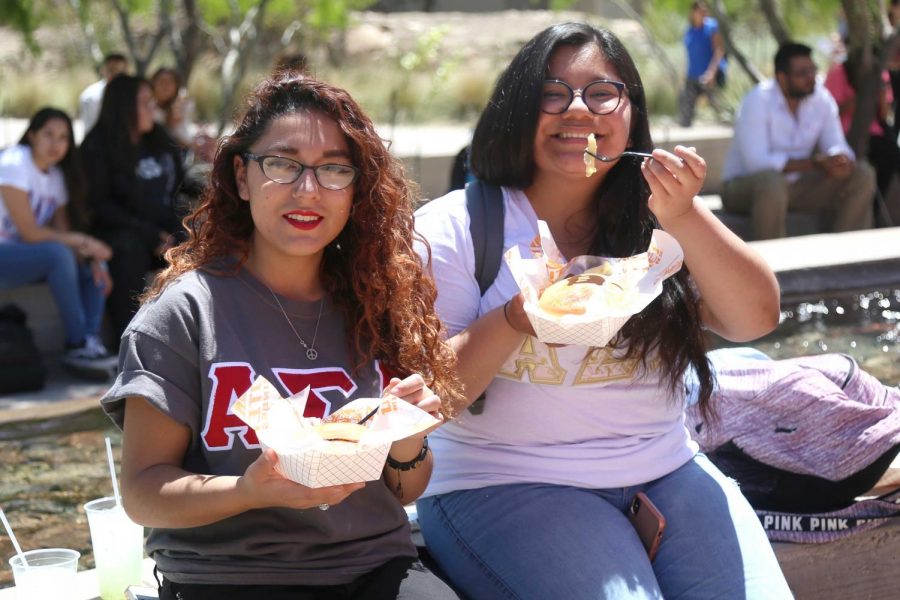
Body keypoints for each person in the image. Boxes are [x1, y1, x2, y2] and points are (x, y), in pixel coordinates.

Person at [413, 22, 792, 600]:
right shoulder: (457, 228)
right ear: (517, 109)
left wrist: (685, 216)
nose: (578, 113)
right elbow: (425, 400)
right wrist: (517, 319)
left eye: (601, 94)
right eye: (552, 94)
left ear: (631, 112)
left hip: (667, 470)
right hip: (506, 481)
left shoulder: (660, 218)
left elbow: (756, 318)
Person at [99, 72, 464, 599]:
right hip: (228, 574)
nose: (308, 189)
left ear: (356, 188)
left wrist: (408, 444)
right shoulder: (183, 316)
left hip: (372, 566)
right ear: (243, 178)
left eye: (334, 169)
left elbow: (404, 486)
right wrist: (248, 491)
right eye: (283, 164)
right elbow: (141, 492)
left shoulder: (378, 302)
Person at [0, 108, 116, 376]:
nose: (56, 144)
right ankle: (77, 342)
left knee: (92, 265)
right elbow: (30, 232)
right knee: (58, 253)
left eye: (63, 137)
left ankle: (88, 342)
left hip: (27, 258)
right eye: (48, 135)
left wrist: (90, 257)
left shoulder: (55, 177)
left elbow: (62, 233)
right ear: (32, 135)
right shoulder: (14, 163)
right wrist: (82, 240)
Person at [721, 42, 876, 240]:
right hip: (744, 187)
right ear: (782, 78)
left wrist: (840, 159)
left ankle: (846, 256)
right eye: (803, 73)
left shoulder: (821, 98)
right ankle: (772, 264)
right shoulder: (757, 101)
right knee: (772, 183)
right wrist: (815, 163)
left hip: (798, 186)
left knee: (862, 174)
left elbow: (836, 143)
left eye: (813, 70)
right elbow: (757, 163)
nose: (811, 78)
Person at [81, 74, 186, 344]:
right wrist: (150, 235)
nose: (153, 108)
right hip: (119, 233)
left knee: (196, 245)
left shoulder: (157, 138)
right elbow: (99, 205)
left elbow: (177, 187)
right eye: (144, 103)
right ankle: (126, 343)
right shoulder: (98, 146)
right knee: (129, 252)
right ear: (124, 107)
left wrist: (172, 232)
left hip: (160, 229)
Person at [824, 48, 900, 200]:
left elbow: (884, 116)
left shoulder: (880, 74)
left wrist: (881, 96)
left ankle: (876, 207)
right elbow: (828, 115)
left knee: (892, 155)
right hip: (842, 134)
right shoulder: (839, 72)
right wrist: (860, 98)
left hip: (874, 133)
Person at [678, 0, 728, 127]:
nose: (703, 13)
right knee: (685, 115)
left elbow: (719, 50)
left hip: (709, 76)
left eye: (705, 10)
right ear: (693, 12)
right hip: (692, 76)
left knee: (721, 112)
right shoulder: (689, 31)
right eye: (700, 10)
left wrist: (712, 72)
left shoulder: (712, 27)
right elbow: (689, 55)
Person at [78, 53, 129, 134]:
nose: (117, 77)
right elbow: (90, 129)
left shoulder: (135, 96)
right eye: (112, 71)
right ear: (104, 70)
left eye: (121, 73)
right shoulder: (91, 97)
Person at [150, 66, 197, 150]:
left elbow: (187, 137)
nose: (165, 86)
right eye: (161, 81)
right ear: (153, 84)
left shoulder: (184, 105)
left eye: (170, 82)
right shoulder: (147, 108)